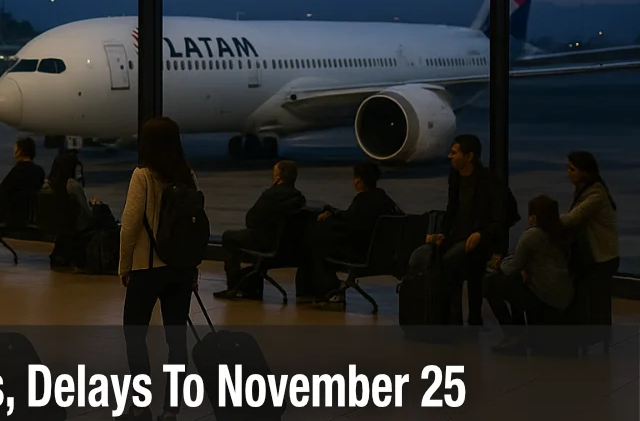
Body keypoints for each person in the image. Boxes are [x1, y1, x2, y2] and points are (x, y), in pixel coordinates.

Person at [114, 117, 200, 421]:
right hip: (180, 270)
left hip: (147, 270)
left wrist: (124, 265)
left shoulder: (143, 177)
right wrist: (193, 268)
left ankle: (140, 407)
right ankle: (171, 413)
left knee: (135, 338)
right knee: (176, 341)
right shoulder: (187, 176)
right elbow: (194, 229)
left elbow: (130, 225)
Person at [408, 134, 513, 325]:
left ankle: (462, 316)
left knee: (453, 264)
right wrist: (444, 232)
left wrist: (481, 234)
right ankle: (455, 316)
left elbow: (500, 218)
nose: (450, 156)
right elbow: (452, 209)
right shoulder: (456, 177)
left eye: (454, 153)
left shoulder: (489, 182)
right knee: (445, 260)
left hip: (481, 239)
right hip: (459, 235)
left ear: (469, 156)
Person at [485, 195, 574, 352]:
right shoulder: (560, 231)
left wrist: (498, 262)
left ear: (533, 217)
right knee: (516, 280)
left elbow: (511, 267)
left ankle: (513, 334)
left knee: (490, 283)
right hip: (563, 296)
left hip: (545, 297)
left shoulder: (532, 235)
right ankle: (518, 334)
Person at [306, 162, 400, 304]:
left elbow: (350, 227)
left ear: (359, 180)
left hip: (361, 255)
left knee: (317, 242)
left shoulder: (361, 201)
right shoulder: (385, 200)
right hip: (382, 255)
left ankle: (327, 290)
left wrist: (328, 221)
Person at [213, 160, 306, 301]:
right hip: (287, 249)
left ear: (278, 178)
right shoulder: (299, 198)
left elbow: (251, 220)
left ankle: (234, 286)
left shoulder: (270, 195)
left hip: (267, 243)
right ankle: (249, 285)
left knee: (229, 237)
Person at [561, 151, 619, 278]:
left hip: (602, 258)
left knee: (597, 296)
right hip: (594, 257)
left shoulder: (596, 195)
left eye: (572, 169)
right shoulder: (584, 190)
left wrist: (545, 219)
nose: (568, 172)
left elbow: (573, 218)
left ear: (585, 173)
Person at [43, 151, 95, 268]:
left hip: (55, 224)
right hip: (74, 225)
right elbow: (87, 213)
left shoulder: (48, 186)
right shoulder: (72, 186)